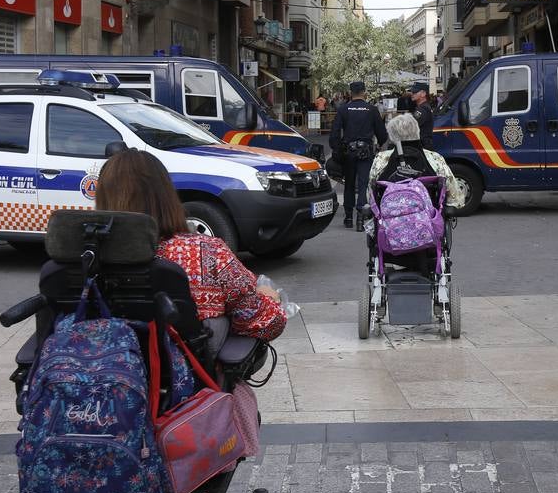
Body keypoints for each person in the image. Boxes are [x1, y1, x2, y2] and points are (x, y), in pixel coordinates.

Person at [95, 148, 286, 339]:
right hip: (184, 364)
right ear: (167, 196)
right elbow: (263, 323)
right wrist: (270, 299)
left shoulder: (83, 256)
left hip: (106, 362)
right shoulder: (208, 252)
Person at [368, 113, 467, 214]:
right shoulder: (434, 158)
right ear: (417, 131)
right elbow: (451, 188)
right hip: (426, 218)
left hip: (390, 218)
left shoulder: (381, 158)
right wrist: (453, 203)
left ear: (392, 136)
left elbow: (372, 188)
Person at [329, 80, 388, 228]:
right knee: (363, 184)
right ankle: (361, 219)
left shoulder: (344, 109)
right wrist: (381, 146)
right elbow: (382, 133)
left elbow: (334, 133)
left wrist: (337, 150)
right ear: (364, 92)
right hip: (366, 152)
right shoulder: (372, 109)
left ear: (350, 93)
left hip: (349, 152)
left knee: (349, 184)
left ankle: (348, 217)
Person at [409, 81, 435, 146]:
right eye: (412, 92)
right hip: (423, 144)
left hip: (422, 146)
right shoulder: (424, 107)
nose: (412, 94)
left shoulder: (422, 109)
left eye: (415, 92)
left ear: (423, 94)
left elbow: (410, 125)